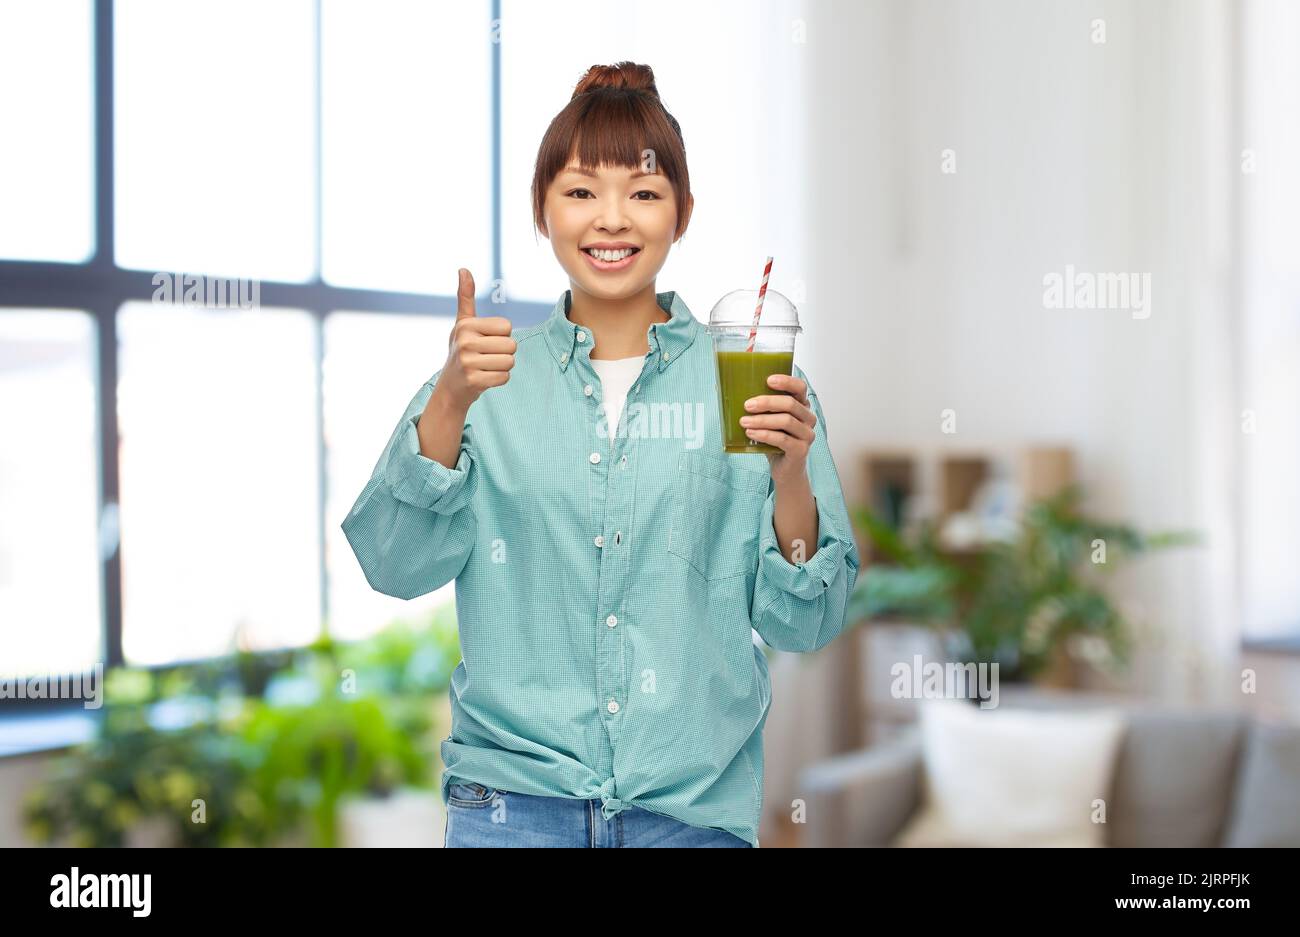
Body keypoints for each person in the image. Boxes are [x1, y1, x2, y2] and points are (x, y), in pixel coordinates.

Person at [341, 61, 860, 848]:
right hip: (513, 808)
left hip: (690, 817)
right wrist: (448, 401)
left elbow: (803, 624)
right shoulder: (484, 380)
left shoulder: (749, 379)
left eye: (644, 193)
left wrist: (790, 475)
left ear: (682, 212)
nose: (611, 219)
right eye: (581, 191)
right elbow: (394, 563)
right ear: (541, 211)